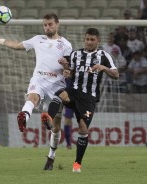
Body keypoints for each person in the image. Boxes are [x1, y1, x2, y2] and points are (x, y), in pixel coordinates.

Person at [0, 14, 72, 162]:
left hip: (56, 85)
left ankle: (51, 156)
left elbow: (68, 65)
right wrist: (1, 40)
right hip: (39, 79)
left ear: (57, 24)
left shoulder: (66, 44)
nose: (47, 27)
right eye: (45, 25)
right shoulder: (37, 39)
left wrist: (67, 68)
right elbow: (17, 46)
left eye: (50, 24)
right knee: (32, 97)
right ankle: (23, 116)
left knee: (55, 127)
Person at [43, 28, 119, 172]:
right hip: (74, 91)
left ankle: (77, 164)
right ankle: (48, 118)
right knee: (59, 95)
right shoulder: (76, 54)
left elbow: (116, 74)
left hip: (88, 98)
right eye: (87, 39)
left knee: (83, 129)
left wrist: (103, 68)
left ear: (98, 41)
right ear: (84, 39)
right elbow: (70, 72)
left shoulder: (103, 55)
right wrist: (66, 68)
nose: (89, 42)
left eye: (92, 40)